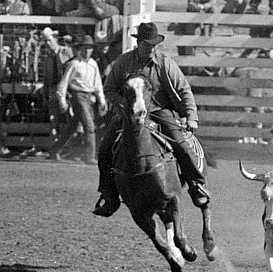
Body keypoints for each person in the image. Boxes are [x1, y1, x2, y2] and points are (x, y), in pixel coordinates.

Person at [93, 22, 211, 217]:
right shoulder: (123, 63)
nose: (152, 48)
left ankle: (197, 185)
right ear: (138, 43)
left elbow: (184, 90)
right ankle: (109, 194)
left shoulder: (165, 63)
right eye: (148, 44)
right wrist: (125, 104)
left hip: (159, 110)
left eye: (155, 44)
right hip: (129, 113)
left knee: (181, 145)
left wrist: (191, 117)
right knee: (105, 149)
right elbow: (110, 89)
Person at [55, 34, 106, 164]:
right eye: (85, 48)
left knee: (72, 126)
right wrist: (62, 100)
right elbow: (64, 83)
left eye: (90, 48)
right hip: (78, 95)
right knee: (89, 126)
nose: (87, 51)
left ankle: (55, 150)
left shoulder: (93, 64)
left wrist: (101, 100)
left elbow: (98, 84)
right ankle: (89, 156)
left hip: (89, 97)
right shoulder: (74, 64)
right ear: (79, 49)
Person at [42, 27, 73, 157]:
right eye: (46, 41)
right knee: (53, 120)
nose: (47, 43)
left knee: (69, 120)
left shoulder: (66, 52)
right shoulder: (48, 57)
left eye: (49, 40)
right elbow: (46, 78)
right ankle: (55, 149)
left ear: (55, 39)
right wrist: (45, 93)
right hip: (53, 90)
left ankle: (69, 149)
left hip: (65, 90)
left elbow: (72, 71)